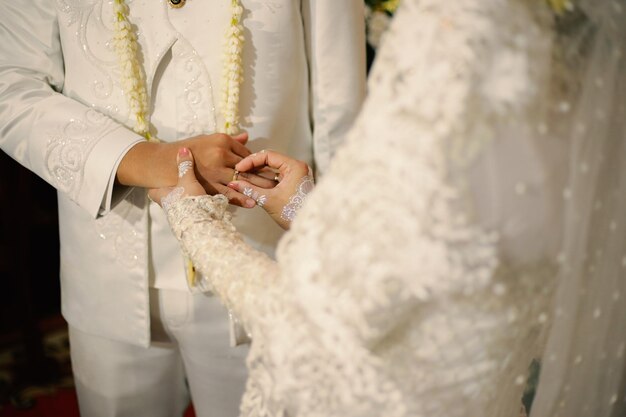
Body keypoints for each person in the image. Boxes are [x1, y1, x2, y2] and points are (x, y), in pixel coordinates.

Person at [150, 0, 626, 416]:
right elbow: (425, 270)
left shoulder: (434, 140)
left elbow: (303, 329)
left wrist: (194, 221)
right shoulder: (588, 157)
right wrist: (301, 206)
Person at [0, 1, 366, 416]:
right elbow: (10, 81)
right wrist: (150, 160)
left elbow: (342, 109)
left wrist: (338, 254)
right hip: (106, 262)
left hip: (265, 263)